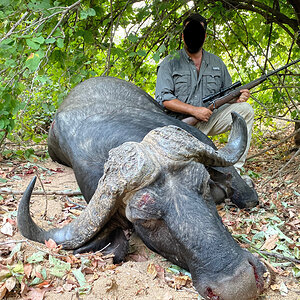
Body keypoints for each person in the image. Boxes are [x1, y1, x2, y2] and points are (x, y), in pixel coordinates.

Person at [155, 13, 254, 175]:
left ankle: (236, 170)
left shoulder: (217, 62)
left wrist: (238, 98)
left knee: (245, 110)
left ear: (204, 36)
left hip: (210, 119)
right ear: (183, 36)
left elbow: (228, 95)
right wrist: (194, 111)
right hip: (180, 126)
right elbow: (164, 100)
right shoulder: (169, 62)